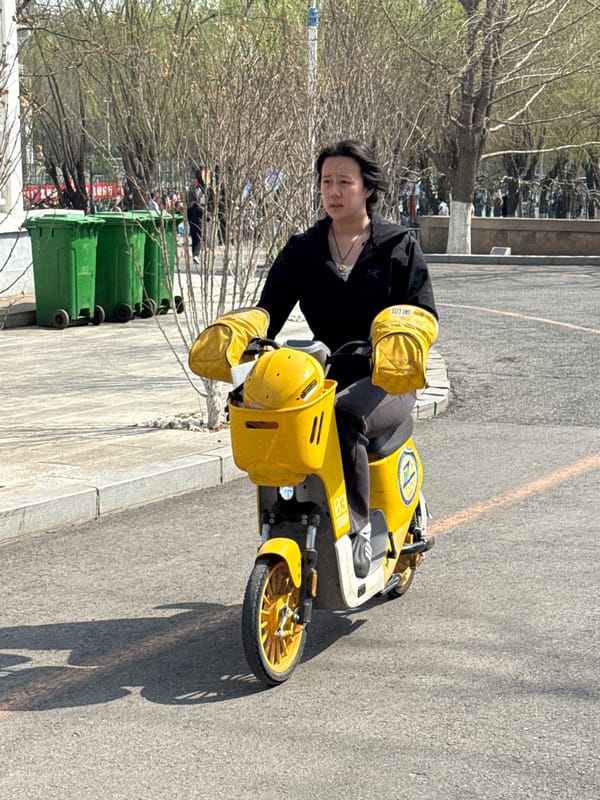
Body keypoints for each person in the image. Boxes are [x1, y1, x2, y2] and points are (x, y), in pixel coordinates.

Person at [257, 139, 438, 578]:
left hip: (388, 377)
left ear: (367, 188)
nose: (334, 192)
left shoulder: (397, 245)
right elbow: (268, 312)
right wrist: (246, 344)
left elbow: (423, 312)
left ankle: (357, 528)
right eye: (326, 182)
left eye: (344, 182)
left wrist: (400, 339)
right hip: (328, 373)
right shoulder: (304, 249)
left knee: (343, 416)